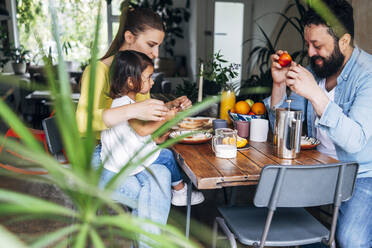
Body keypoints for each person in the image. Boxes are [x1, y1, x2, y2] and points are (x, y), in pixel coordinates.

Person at [263, 1, 372, 247]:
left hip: (362, 175)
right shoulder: (317, 69)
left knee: (352, 240)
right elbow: (283, 132)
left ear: (344, 41)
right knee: (274, 218)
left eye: (317, 45)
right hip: (317, 168)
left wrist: (315, 94)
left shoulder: (368, 75)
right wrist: (279, 84)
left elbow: (355, 141)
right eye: (308, 44)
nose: (310, 53)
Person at [76, 7, 203, 206]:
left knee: (160, 178)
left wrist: (169, 107)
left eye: (158, 46)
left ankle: (148, 235)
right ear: (129, 36)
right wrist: (133, 110)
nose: (156, 53)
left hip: (132, 150)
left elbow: (141, 122)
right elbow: (82, 123)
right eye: (151, 45)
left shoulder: (139, 75)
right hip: (99, 154)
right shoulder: (98, 71)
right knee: (155, 192)